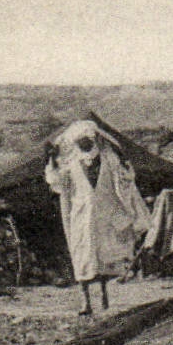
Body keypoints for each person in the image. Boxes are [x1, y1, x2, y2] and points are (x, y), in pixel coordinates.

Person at [44, 120, 150, 316]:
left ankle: (103, 295)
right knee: (82, 255)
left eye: (85, 141)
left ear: (93, 140)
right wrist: (52, 161)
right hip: (81, 216)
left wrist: (124, 161)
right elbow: (57, 182)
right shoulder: (71, 164)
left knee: (102, 256)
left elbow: (126, 178)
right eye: (79, 142)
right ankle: (85, 301)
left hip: (104, 214)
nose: (82, 145)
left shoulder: (108, 160)